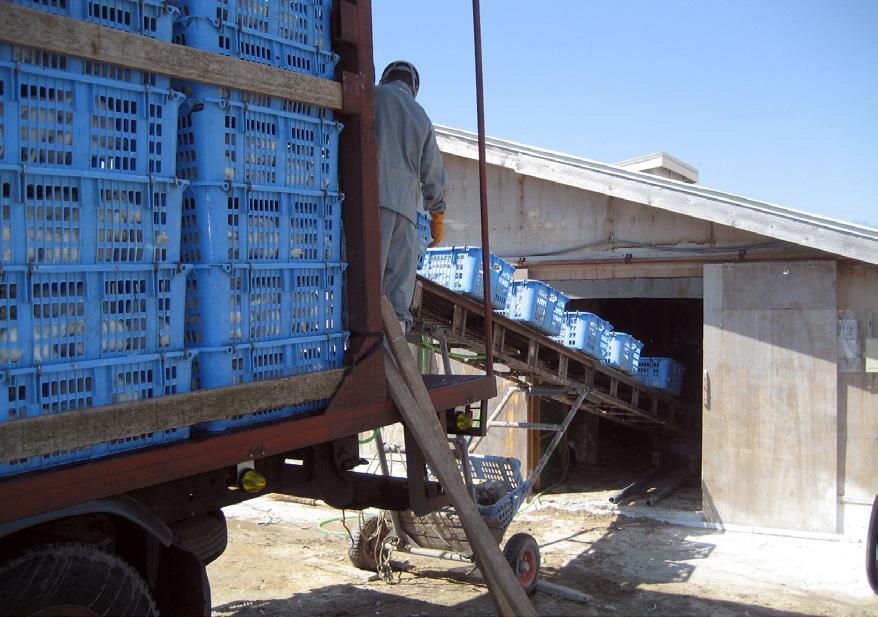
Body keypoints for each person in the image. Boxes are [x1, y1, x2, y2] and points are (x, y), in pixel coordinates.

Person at [374, 60, 447, 334]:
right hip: (405, 215)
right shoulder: (421, 116)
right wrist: (437, 214)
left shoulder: (373, 96)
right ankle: (393, 359)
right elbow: (434, 173)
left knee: (366, 285)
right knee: (396, 297)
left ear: (385, 78)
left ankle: (361, 359)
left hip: (370, 204)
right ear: (414, 88)